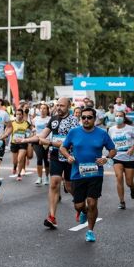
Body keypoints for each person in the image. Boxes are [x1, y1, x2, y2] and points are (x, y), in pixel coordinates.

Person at [60, 110, 117, 243]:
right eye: (83, 117)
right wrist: (68, 156)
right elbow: (63, 147)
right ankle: (83, 212)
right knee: (78, 206)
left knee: (92, 203)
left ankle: (90, 231)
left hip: (95, 173)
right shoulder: (74, 132)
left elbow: (113, 150)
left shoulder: (102, 133)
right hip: (77, 174)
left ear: (94, 119)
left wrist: (106, 158)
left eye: (89, 117)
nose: (86, 120)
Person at [39, 97, 78, 229]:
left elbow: (70, 142)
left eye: (62, 105)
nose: (59, 108)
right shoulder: (54, 118)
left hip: (69, 156)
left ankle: (79, 204)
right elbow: (42, 135)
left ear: (68, 106)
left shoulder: (74, 120)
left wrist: (50, 142)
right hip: (55, 155)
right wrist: (25, 140)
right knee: (54, 183)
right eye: (58, 105)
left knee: (68, 186)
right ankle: (52, 216)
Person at [107, 115, 134, 209]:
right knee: (119, 177)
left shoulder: (130, 129)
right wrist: (109, 154)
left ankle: (132, 188)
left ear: (124, 118)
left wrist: (132, 148)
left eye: (120, 116)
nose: (118, 117)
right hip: (117, 156)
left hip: (129, 157)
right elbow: (109, 142)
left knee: (129, 182)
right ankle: (122, 201)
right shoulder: (111, 129)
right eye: (116, 116)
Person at [31, 103, 52, 186]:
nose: (42, 110)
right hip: (37, 141)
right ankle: (39, 177)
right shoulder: (35, 119)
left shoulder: (50, 119)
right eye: (41, 108)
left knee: (46, 160)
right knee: (39, 158)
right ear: (39, 110)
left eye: (44, 108)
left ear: (47, 110)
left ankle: (46, 177)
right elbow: (32, 127)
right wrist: (33, 130)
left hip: (47, 141)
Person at [10, 107, 32, 181]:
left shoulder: (26, 123)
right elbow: (7, 130)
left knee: (20, 158)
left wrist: (30, 136)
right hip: (14, 143)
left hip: (23, 143)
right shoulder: (12, 123)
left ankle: (19, 174)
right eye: (17, 114)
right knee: (15, 161)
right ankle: (14, 166)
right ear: (15, 115)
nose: (18, 116)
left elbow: (32, 130)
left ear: (22, 115)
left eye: (20, 114)